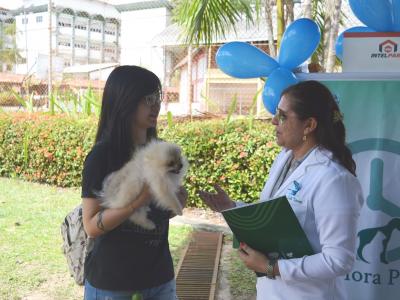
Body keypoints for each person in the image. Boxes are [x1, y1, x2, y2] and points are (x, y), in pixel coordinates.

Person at [199, 80, 364, 300]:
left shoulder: (334, 179)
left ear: (309, 125)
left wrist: (272, 267)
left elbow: (338, 260)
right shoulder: (285, 158)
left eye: (283, 116)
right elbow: (276, 215)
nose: (274, 121)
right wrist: (232, 207)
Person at [81, 65, 187, 300]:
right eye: (148, 99)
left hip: (160, 279)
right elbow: (90, 226)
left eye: (157, 98)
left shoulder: (160, 151)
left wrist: (176, 201)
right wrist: (137, 201)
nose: (155, 106)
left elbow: (159, 213)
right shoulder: (102, 156)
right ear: (125, 101)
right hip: (114, 283)